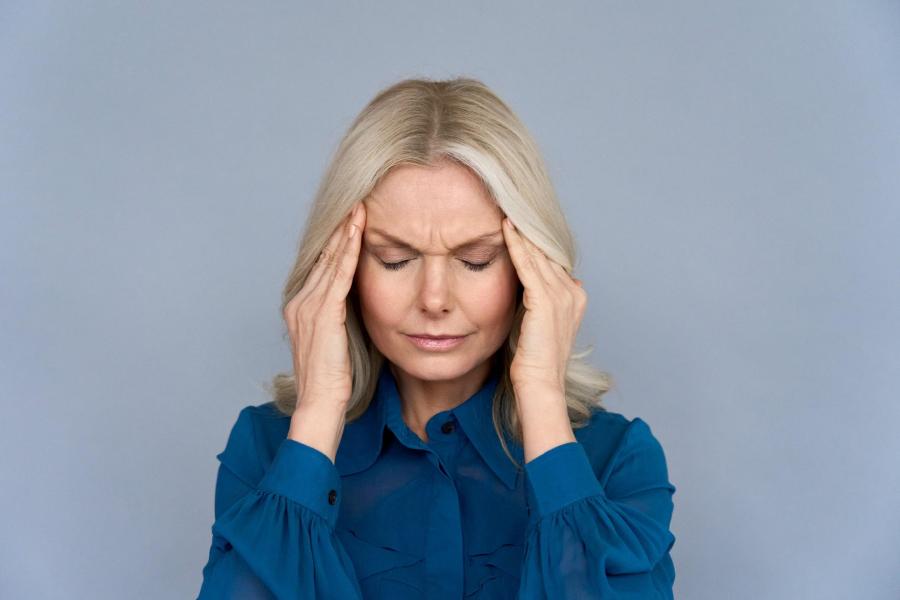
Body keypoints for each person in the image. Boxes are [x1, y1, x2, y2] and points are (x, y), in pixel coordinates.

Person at [196, 77, 676, 599]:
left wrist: (541, 392)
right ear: (342, 269)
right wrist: (319, 412)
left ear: (530, 269)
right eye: (394, 259)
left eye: (476, 260)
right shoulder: (267, 448)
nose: (434, 298)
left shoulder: (616, 458)